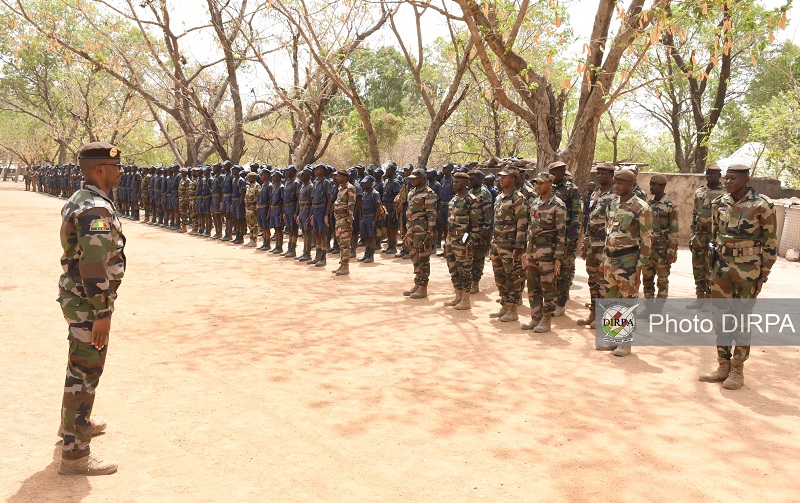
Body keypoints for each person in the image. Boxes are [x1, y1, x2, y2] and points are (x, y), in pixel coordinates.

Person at [57, 141, 125, 476]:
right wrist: (102, 311)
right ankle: (75, 454)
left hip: (78, 298)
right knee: (86, 372)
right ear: (99, 169)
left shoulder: (83, 198)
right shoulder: (95, 208)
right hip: (88, 301)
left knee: (78, 365)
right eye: (114, 166)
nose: (120, 171)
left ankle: (71, 426)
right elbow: (94, 264)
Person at [699, 164, 777, 390]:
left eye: (733, 178)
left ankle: (737, 370)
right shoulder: (719, 203)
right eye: (726, 178)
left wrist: (763, 275)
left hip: (748, 270)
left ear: (746, 179)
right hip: (721, 269)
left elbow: (770, 243)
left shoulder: (762, 205)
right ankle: (722, 365)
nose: (728, 182)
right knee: (720, 317)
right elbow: (715, 237)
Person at [601, 168, 652, 357]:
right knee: (611, 300)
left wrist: (639, 266)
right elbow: (608, 232)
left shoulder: (641, 207)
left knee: (627, 300)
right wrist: (604, 258)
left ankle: (625, 342)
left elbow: (647, 239)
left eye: (620, 183)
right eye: (615, 182)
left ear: (630, 184)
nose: (616, 186)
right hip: (610, 259)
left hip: (628, 260)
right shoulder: (612, 205)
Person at [521, 172, 566, 332]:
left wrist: (558, 257)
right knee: (532, 285)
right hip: (533, 250)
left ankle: (546, 320)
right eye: (536, 183)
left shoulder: (558, 205)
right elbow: (530, 229)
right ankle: (535, 317)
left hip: (548, 251)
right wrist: (527, 251)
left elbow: (562, 234)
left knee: (548, 286)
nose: (537, 186)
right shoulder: (535, 203)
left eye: (540, 183)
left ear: (550, 184)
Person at [577, 163, 615, 328]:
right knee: (592, 280)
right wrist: (585, 242)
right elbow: (590, 220)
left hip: (605, 244)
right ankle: (593, 313)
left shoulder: (616, 194)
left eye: (604, 173)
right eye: (598, 173)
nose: (600, 176)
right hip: (592, 243)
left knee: (603, 281)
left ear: (611, 175)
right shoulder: (596, 193)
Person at [490, 168, 528, 322]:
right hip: (497, 244)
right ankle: (504, 306)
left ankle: (513, 309)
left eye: (504, 177)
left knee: (512, 277)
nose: (501, 180)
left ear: (513, 179)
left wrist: (518, 247)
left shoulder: (518, 198)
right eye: (500, 177)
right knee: (499, 277)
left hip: (510, 246)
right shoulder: (499, 197)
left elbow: (522, 222)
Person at [688, 164, 726, 307]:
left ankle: (710, 299)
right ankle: (699, 298)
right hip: (699, 234)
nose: (709, 176)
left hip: (714, 235)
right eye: (708, 174)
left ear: (719, 176)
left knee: (711, 266)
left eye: (713, 174)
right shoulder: (700, 191)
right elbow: (694, 213)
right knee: (697, 266)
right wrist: (692, 234)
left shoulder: (725, 193)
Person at [548, 161, 582, 317]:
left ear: (562, 173)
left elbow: (576, 217)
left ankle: (561, 304)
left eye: (554, 173)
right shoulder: (550, 187)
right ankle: (552, 301)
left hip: (565, 237)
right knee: (550, 271)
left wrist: (569, 241)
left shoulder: (572, 190)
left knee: (564, 271)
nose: (551, 176)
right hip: (550, 237)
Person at [443, 171, 478, 309]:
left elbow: (475, 226)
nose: (454, 183)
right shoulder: (453, 200)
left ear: (465, 183)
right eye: (453, 181)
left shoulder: (470, 200)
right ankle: (458, 296)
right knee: (453, 269)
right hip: (451, 239)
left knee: (464, 270)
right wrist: (447, 240)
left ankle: (466, 299)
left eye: (457, 182)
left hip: (463, 241)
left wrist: (468, 241)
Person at [403, 167, 438, 299]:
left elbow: (432, 216)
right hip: (412, 231)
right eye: (411, 179)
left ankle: (423, 287)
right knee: (414, 257)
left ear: (422, 178)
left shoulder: (429, 194)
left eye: (415, 178)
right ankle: (417, 284)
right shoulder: (411, 192)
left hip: (422, 232)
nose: (412, 181)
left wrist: (429, 234)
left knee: (423, 259)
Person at [642, 174, 679, 298]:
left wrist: (671, 251)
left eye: (654, 185)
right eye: (650, 184)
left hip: (662, 250)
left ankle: (657, 310)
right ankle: (649, 308)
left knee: (662, 282)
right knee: (647, 280)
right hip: (648, 249)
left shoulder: (671, 205)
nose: (651, 187)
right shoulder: (647, 205)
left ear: (663, 186)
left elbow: (674, 230)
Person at [468, 168, 493, 294]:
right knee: (467, 253)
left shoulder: (484, 193)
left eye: (472, 179)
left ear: (478, 179)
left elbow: (488, 212)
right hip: (469, 230)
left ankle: (475, 282)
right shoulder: (470, 191)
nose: (470, 181)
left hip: (480, 230)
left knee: (478, 257)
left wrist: (485, 229)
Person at [332, 168, 357, 275]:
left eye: (339, 176)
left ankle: (346, 267)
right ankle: (342, 264)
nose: (337, 178)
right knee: (340, 243)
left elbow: (351, 206)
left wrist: (348, 221)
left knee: (345, 244)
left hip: (345, 221)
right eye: (337, 176)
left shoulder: (350, 188)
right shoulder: (339, 188)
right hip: (338, 220)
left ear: (345, 177)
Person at [310, 164, 333, 267]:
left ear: (323, 171)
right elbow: (312, 199)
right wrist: (311, 214)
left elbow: (329, 199)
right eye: (316, 169)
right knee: (316, 233)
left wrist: (326, 214)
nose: (317, 171)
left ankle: (323, 258)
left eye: (319, 169)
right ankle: (317, 256)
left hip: (322, 209)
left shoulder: (326, 183)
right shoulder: (314, 182)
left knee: (322, 233)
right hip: (315, 209)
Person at [358, 175, 380, 263]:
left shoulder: (374, 193)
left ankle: (371, 255)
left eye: (365, 183)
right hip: (365, 217)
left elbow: (378, 207)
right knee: (366, 237)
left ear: (370, 183)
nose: (363, 184)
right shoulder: (365, 193)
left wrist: (375, 220)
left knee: (371, 237)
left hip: (371, 217)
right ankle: (366, 254)